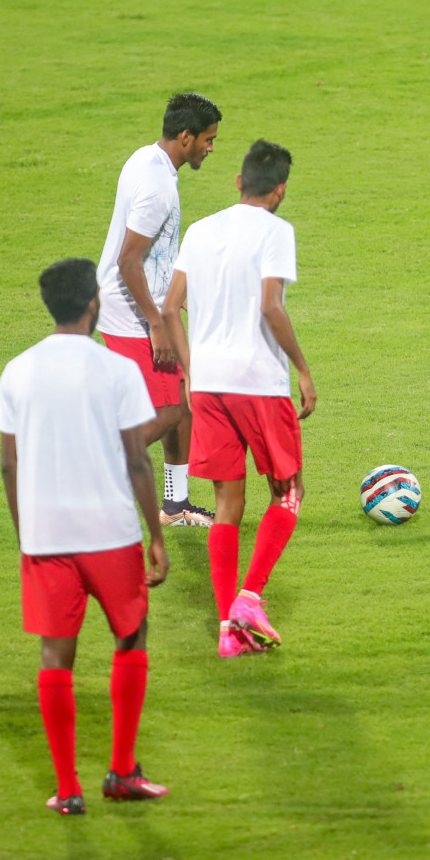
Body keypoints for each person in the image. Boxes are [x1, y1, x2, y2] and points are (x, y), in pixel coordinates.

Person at [0, 258, 171, 816]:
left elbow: (8, 466)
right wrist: (155, 536)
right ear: (93, 303)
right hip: (110, 533)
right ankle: (121, 770)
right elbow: (138, 460)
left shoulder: (18, 370)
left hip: (47, 539)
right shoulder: (115, 369)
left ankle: (68, 790)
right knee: (131, 637)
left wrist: (28, 536)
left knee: (55, 656)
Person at [162, 140, 316, 658]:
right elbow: (272, 305)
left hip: (207, 385)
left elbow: (170, 307)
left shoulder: (201, 230)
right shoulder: (276, 231)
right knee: (287, 495)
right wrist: (302, 367)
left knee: (228, 507)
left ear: (237, 183)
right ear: (280, 190)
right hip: (257, 381)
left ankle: (230, 630)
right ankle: (249, 598)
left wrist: (189, 368)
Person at [96, 92, 221, 528]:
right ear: (185, 136)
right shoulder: (157, 187)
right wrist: (156, 322)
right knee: (166, 410)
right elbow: (128, 260)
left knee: (181, 406)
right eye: (207, 139)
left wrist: (172, 295)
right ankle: (95, 468)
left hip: (143, 304)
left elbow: (150, 255)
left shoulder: (146, 159)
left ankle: (175, 504)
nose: (211, 147)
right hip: (132, 313)